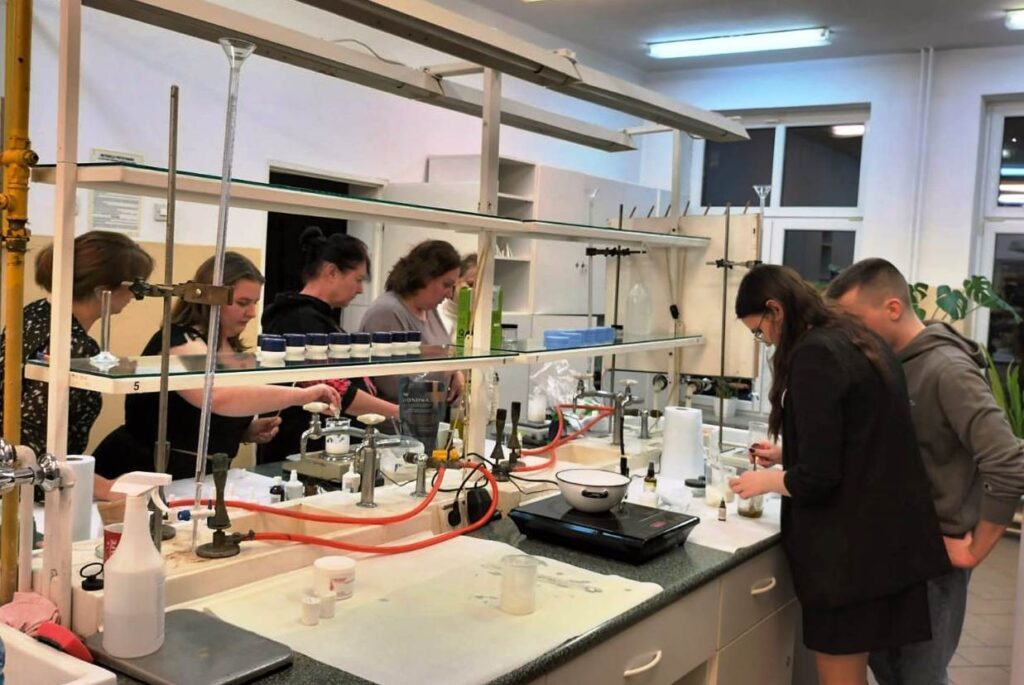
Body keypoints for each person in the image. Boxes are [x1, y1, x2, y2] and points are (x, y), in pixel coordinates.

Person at [728, 265, 950, 685]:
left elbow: (818, 479)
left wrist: (764, 481)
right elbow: (860, 436)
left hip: (847, 561)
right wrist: (788, 452)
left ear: (775, 309)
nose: (765, 340)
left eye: (759, 331)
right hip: (882, 545)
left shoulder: (814, 355)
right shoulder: (855, 337)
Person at [826, 258, 1024, 684]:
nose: (849, 335)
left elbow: (1008, 461)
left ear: (893, 308)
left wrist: (974, 551)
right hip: (894, 550)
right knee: (891, 672)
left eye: (855, 322)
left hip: (934, 560)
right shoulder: (892, 364)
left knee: (919, 677)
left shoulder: (947, 369)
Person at [92, 252, 340, 483]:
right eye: (242, 303)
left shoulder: (231, 349)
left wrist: (243, 432)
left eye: (255, 303)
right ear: (209, 298)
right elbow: (217, 396)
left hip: (198, 476)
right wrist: (304, 395)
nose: (252, 313)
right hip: (142, 470)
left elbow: (203, 419)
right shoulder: (180, 341)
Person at [0, 231, 154, 463]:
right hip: (33, 477)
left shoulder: (36, 312)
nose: (135, 296)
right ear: (103, 291)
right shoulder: (75, 347)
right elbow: (35, 448)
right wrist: (102, 482)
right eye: (135, 287)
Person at [259, 227, 398, 462]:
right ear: (332, 272)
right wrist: (398, 413)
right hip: (304, 450)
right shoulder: (299, 319)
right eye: (358, 279)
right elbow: (337, 391)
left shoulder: (319, 317)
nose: (360, 289)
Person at [359, 240, 464, 405]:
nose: (450, 294)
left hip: (430, 415)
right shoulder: (386, 312)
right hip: (395, 418)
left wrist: (455, 373)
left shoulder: (430, 309)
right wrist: (444, 372)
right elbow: (390, 383)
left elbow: (440, 355)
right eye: (446, 285)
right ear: (425, 277)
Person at [439, 253, 477, 340]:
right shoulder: (436, 317)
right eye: (471, 284)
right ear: (455, 280)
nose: (476, 292)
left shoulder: (485, 320)